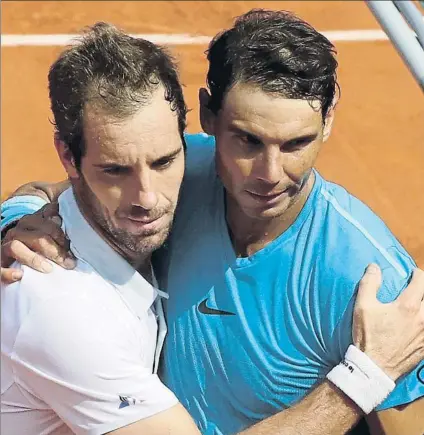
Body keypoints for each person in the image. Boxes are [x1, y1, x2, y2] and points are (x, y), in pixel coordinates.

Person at [2, 10, 424, 435]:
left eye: (297, 143)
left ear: (328, 120)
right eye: (247, 140)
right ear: (208, 116)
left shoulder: (376, 287)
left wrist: (368, 374)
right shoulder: (177, 173)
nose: (270, 174)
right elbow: (64, 189)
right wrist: (16, 223)